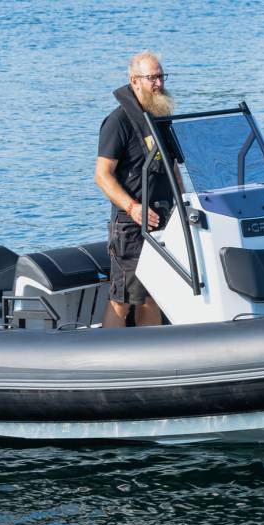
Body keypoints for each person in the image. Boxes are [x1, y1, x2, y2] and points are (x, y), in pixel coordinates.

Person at [95, 51, 176, 328]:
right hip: (131, 225)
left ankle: (153, 357)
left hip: (164, 220)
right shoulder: (118, 122)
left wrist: (184, 202)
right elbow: (102, 175)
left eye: (161, 76)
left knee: (154, 295)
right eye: (152, 77)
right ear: (134, 81)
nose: (159, 83)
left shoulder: (161, 117)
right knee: (125, 297)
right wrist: (133, 208)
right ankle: (107, 359)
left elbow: (172, 167)